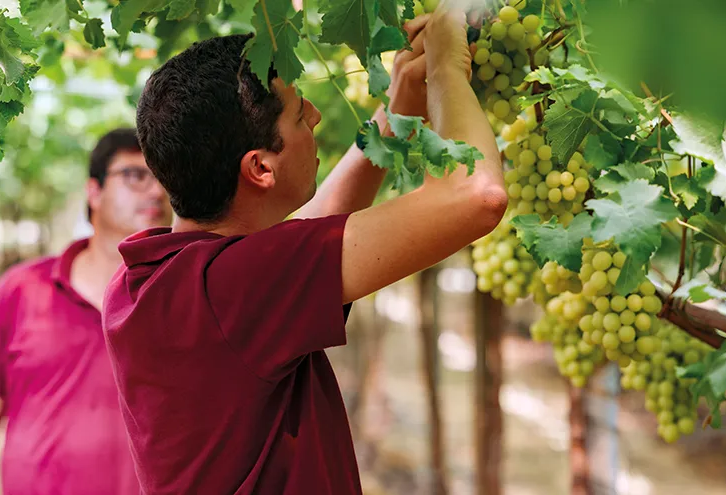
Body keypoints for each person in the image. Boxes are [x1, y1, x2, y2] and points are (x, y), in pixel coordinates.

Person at [102, 4, 506, 494]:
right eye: (299, 114)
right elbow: (478, 197)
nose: (315, 115)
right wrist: (446, 67)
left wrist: (395, 113)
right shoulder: (234, 289)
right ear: (261, 170)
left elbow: (310, 239)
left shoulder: (148, 283)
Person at [0, 128, 171, 495]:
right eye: (135, 176)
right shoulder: (21, 291)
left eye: (163, 178)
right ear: (93, 191)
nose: (156, 191)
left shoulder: (185, 298)